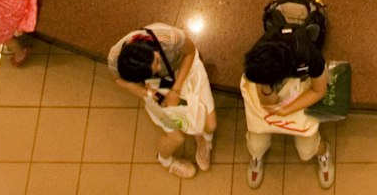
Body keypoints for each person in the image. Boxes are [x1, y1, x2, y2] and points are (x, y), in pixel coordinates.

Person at [108, 22, 216, 179]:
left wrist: (176, 90)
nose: (158, 68)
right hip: (155, 86)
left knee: (210, 124)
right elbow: (116, 78)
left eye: (156, 61)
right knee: (176, 137)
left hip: (185, 69)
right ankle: (166, 161)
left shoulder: (169, 37)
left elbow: (190, 51)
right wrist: (140, 90)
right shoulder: (114, 58)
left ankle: (204, 140)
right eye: (153, 70)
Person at [240, 34, 334, 189]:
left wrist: (286, 110)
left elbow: (318, 90)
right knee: (256, 145)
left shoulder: (308, 55)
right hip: (278, 93)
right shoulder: (259, 58)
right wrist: (266, 88)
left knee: (306, 149)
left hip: (302, 91)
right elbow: (266, 102)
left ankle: (323, 152)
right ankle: (257, 156)